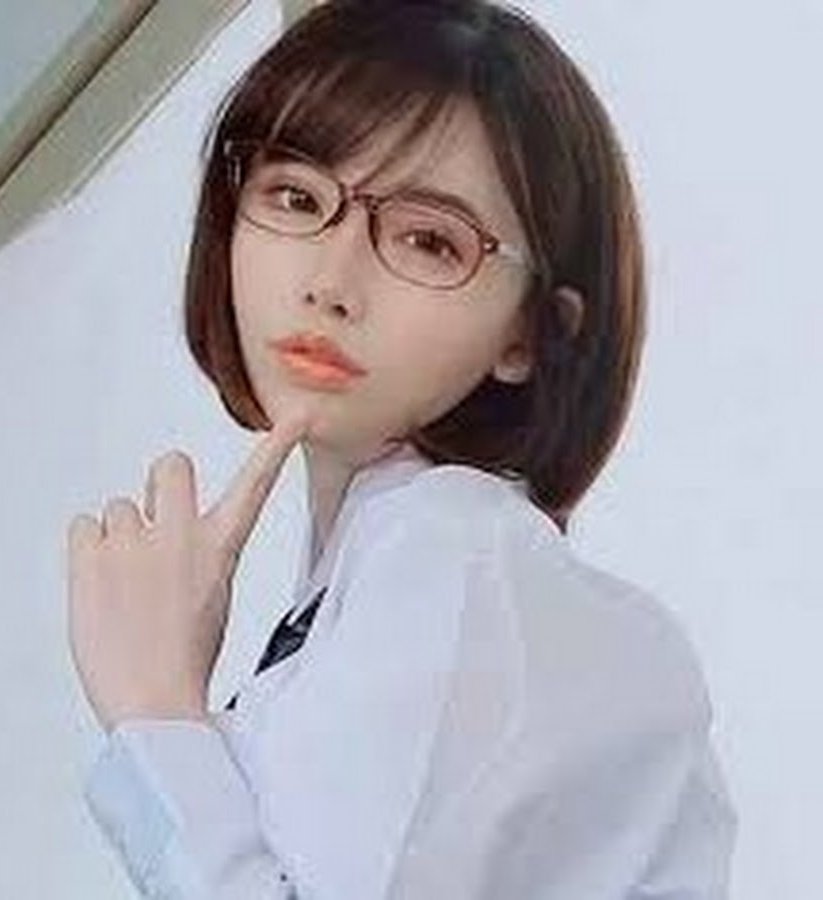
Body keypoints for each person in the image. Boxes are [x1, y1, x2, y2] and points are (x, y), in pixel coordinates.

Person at [67, 1, 738, 897]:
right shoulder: (402, 571)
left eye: (428, 241)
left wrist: (152, 706)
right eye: (296, 197)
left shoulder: (455, 556)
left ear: (529, 333)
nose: (331, 282)